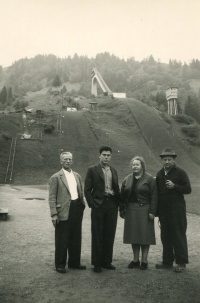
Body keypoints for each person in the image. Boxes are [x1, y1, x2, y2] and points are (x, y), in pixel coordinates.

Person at [84, 145, 122, 273]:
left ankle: (107, 261)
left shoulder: (114, 171)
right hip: (98, 205)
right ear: (99, 156)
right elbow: (87, 190)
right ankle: (97, 263)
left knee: (109, 233)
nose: (106, 157)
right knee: (97, 234)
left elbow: (116, 189)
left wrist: (118, 203)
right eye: (104, 155)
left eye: (108, 155)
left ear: (111, 157)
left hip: (111, 204)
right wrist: (92, 204)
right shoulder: (92, 170)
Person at [48, 152, 86, 273]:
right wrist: (54, 214)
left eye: (70, 159)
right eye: (65, 159)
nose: (68, 161)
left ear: (72, 161)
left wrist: (81, 204)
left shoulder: (77, 176)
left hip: (76, 208)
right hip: (63, 211)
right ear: (61, 161)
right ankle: (60, 264)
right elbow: (52, 197)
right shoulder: (55, 177)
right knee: (62, 239)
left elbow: (80, 192)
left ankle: (74, 263)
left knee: (76, 237)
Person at [155, 147, 192, 273]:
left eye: (169, 159)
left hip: (177, 209)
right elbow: (157, 193)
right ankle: (167, 262)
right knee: (165, 236)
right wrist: (157, 212)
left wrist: (174, 186)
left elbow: (188, 189)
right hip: (164, 211)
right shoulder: (159, 174)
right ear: (162, 160)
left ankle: (181, 262)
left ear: (174, 160)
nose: (166, 162)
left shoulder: (181, 172)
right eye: (164, 159)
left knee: (178, 235)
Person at [120, 156, 158, 270]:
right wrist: (122, 209)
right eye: (133, 164)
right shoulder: (127, 179)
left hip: (145, 210)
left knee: (145, 236)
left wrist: (152, 211)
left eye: (137, 164)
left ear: (142, 166)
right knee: (134, 236)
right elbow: (122, 195)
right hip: (131, 210)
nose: (135, 166)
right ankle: (135, 260)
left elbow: (154, 196)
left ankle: (144, 260)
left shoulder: (150, 179)